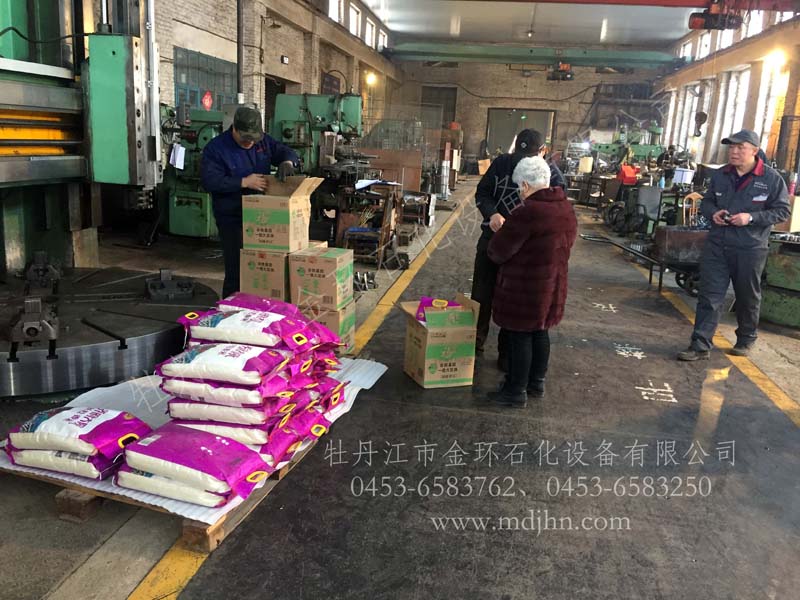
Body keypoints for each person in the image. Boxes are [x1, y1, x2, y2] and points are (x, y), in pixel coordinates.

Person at [677, 130, 790, 361]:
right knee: (709, 296)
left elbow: (782, 211)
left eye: (740, 147)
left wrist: (751, 218)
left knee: (747, 296)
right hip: (718, 245)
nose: (734, 152)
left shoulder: (771, 179)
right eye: (731, 147)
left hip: (750, 248)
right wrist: (713, 212)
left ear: (755, 151)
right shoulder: (721, 175)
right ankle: (700, 345)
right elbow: (707, 202)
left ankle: (746, 339)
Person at [486, 155, 577, 407]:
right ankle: (536, 383)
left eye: (519, 187)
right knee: (540, 331)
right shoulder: (566, 209)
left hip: (525, 288)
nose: (519, 192)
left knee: (520, 335)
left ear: (525, 185)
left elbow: (498, 252)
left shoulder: (527, 212)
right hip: (553, 284)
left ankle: (515, 391)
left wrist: (500, 232)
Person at [471, 129, 565, 369]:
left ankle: (507, 353)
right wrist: (492, 213)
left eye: (529, 158)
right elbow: (482, 192)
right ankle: (473, 345)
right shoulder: (502, 164)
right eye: (520, 157)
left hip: (525, 249)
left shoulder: (551, 174)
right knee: (482, 293)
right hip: (494, 237)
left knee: (512, 301)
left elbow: (559, 208)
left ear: (542, 152)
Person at [201, 106, 300, 298]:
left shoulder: (262, 142)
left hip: (261, 217)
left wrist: (287, 162)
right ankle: (231, 307)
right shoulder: (216, 148)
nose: (250, 143)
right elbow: (209, 181)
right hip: (233, 219)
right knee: (237, 269)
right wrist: (243, 182)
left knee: (263, 268)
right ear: (235, 129)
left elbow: (285, 151)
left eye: (254, 139)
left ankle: (258, 307)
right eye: (246, 139)